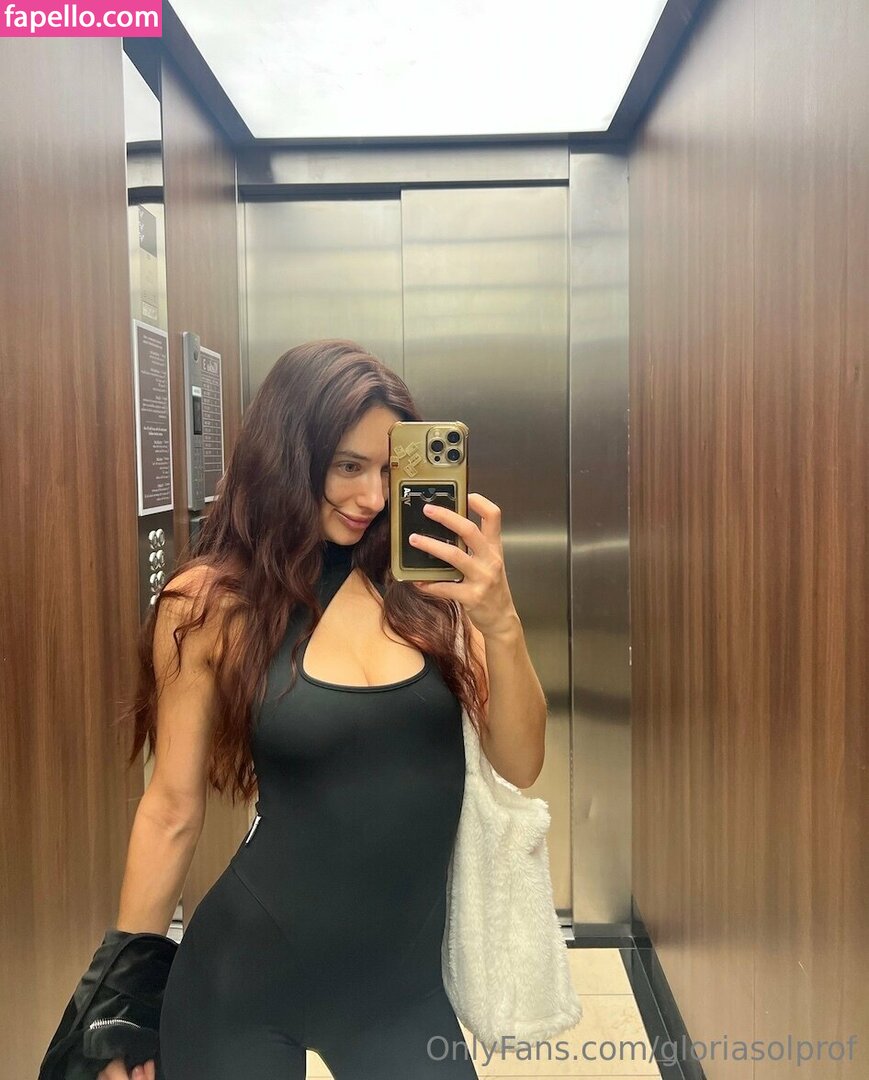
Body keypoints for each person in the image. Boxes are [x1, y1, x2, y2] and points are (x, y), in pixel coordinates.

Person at [99, 339, 547, 1080]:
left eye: (388, 470)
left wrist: (500, 622)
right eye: (347, 466)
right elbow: (170, 809)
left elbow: (521, 764)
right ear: (288, 456)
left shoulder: (431, 590)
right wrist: (122, 1005)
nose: (372, 497)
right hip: (242, 983)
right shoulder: (211, 603)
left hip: (401, 997)